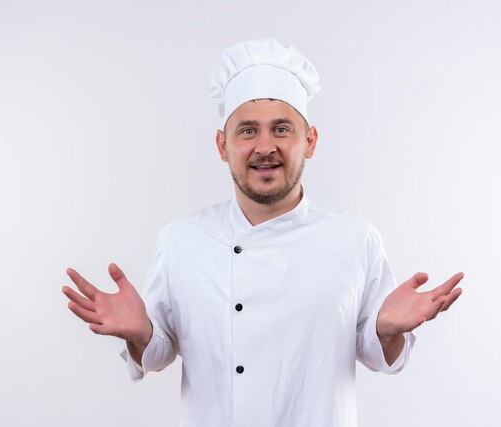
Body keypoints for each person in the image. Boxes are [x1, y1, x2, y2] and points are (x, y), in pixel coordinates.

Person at [62, 37, 464, 426]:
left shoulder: (356, 240)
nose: (265, 146)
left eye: (282, 129)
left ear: (310, 140)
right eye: (248, 130)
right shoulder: (180, 240)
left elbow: (379, 355)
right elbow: (158, 352)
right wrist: (142, 333)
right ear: (223, 145)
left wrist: (385, 330)